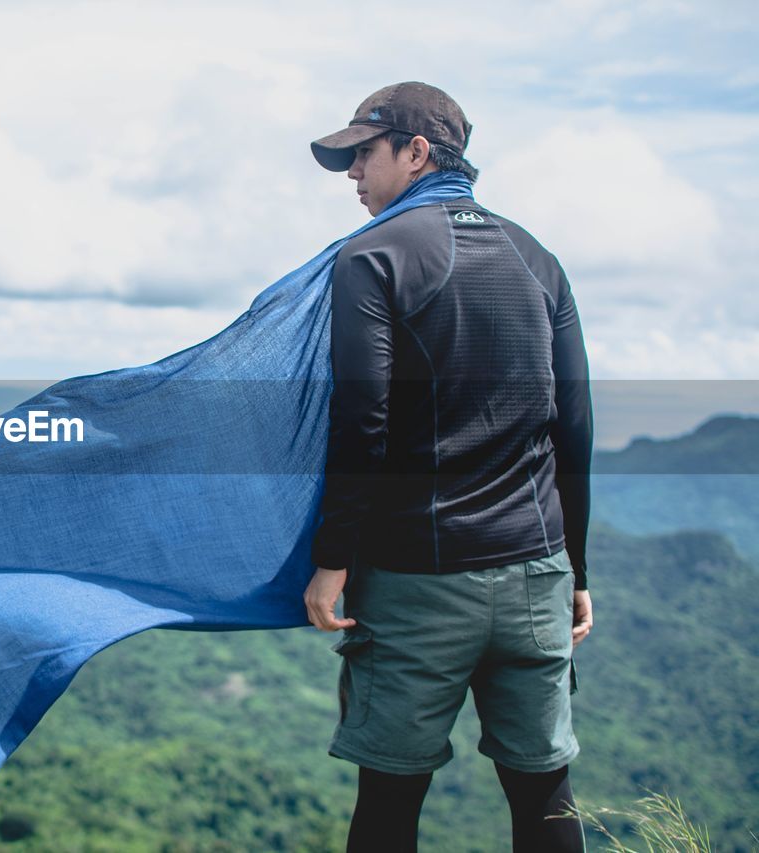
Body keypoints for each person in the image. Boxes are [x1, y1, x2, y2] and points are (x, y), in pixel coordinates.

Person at [302, 82, 595, 852]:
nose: (352, 174)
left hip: (415, 586)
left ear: (416, 152)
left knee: (391, 803)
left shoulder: (372, 258)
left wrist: (332, 560)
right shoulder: (540, 260)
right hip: (537, 575)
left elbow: (362, 420)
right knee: (544, 798)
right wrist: (579, 572)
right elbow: (574, 428)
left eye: (363, 154)